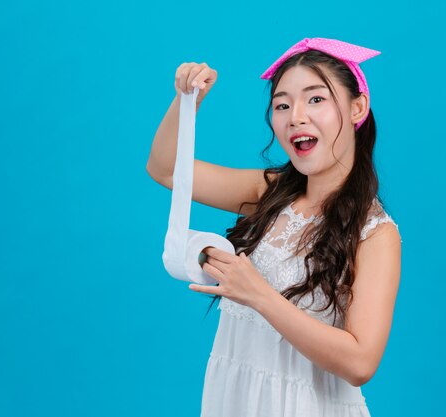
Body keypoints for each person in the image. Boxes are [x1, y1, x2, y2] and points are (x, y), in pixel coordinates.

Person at [146, 37, 401, 417]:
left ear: (357, 107)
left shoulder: (376, 233)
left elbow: (361, 363)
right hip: (236, 399)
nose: (296, 115)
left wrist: (259, 295)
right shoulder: (268, 191)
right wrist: (187, 104)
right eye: (282, 104)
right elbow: (166, 169)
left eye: (316, 99)